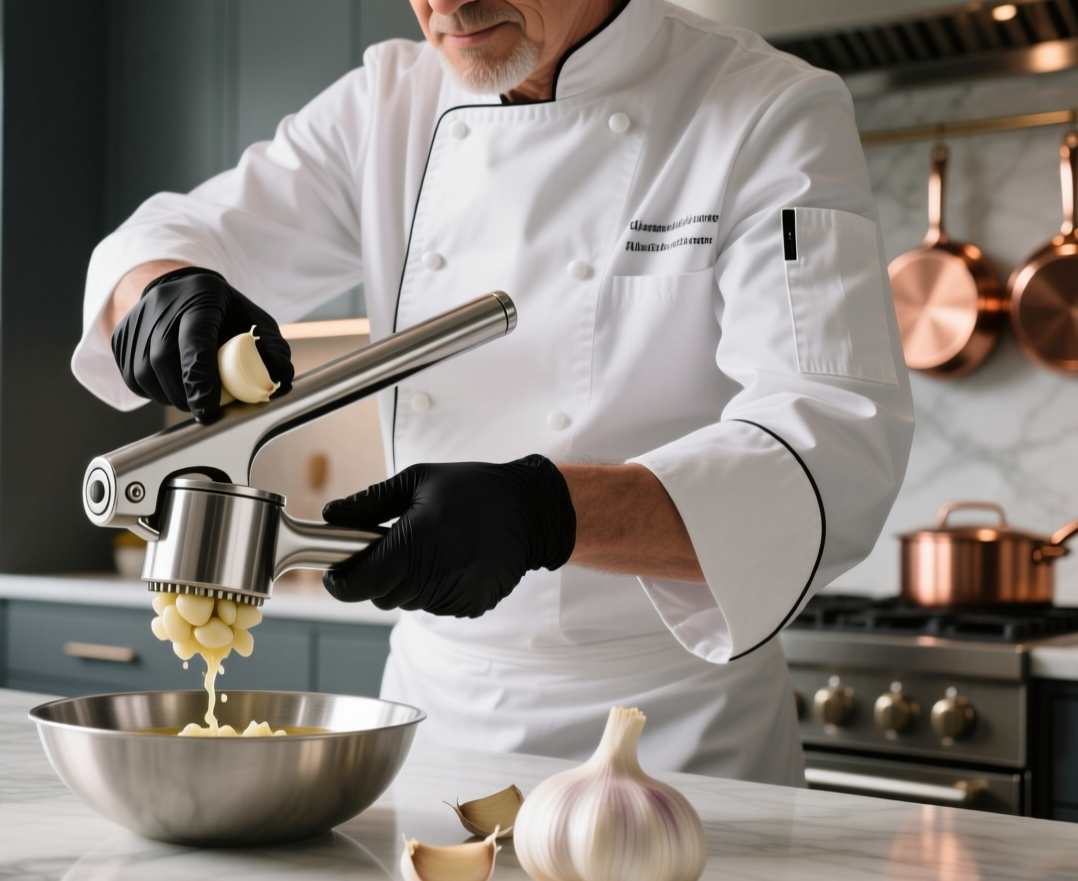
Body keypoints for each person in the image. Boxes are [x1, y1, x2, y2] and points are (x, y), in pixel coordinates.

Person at [70, 0, 913, 785]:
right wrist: (160, 291)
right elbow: (178, 231)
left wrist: (547, 511)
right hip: (436, 719)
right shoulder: (387, 103)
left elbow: (831, 451)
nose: (452, 2)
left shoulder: (766, 110)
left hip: (676, 740)